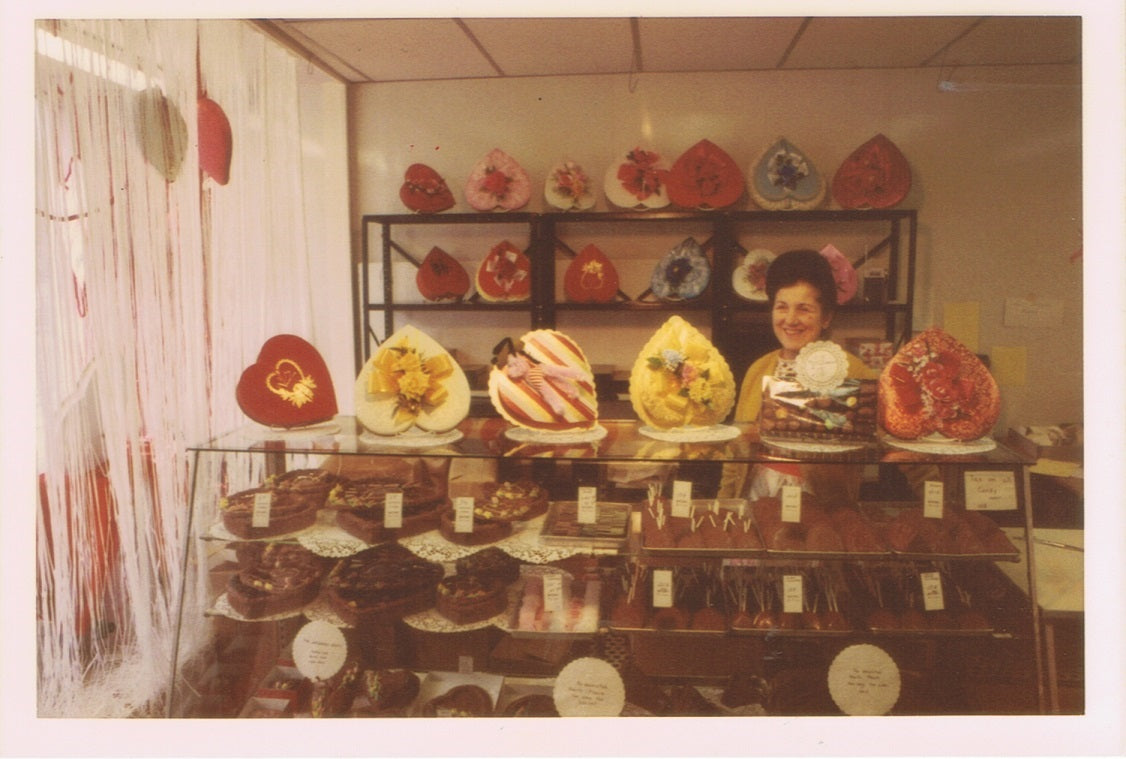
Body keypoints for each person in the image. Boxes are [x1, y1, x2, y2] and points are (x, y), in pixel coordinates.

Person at [720, 249, 877, 500]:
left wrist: (934, 499)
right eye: (782, 307)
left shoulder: (854, 371)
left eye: (804, 309)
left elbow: (902, 447)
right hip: (757, 498)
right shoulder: (758, 369)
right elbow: (734, 456)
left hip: (825, 506)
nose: (790, 320)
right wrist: (725, 504)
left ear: (826, 317)